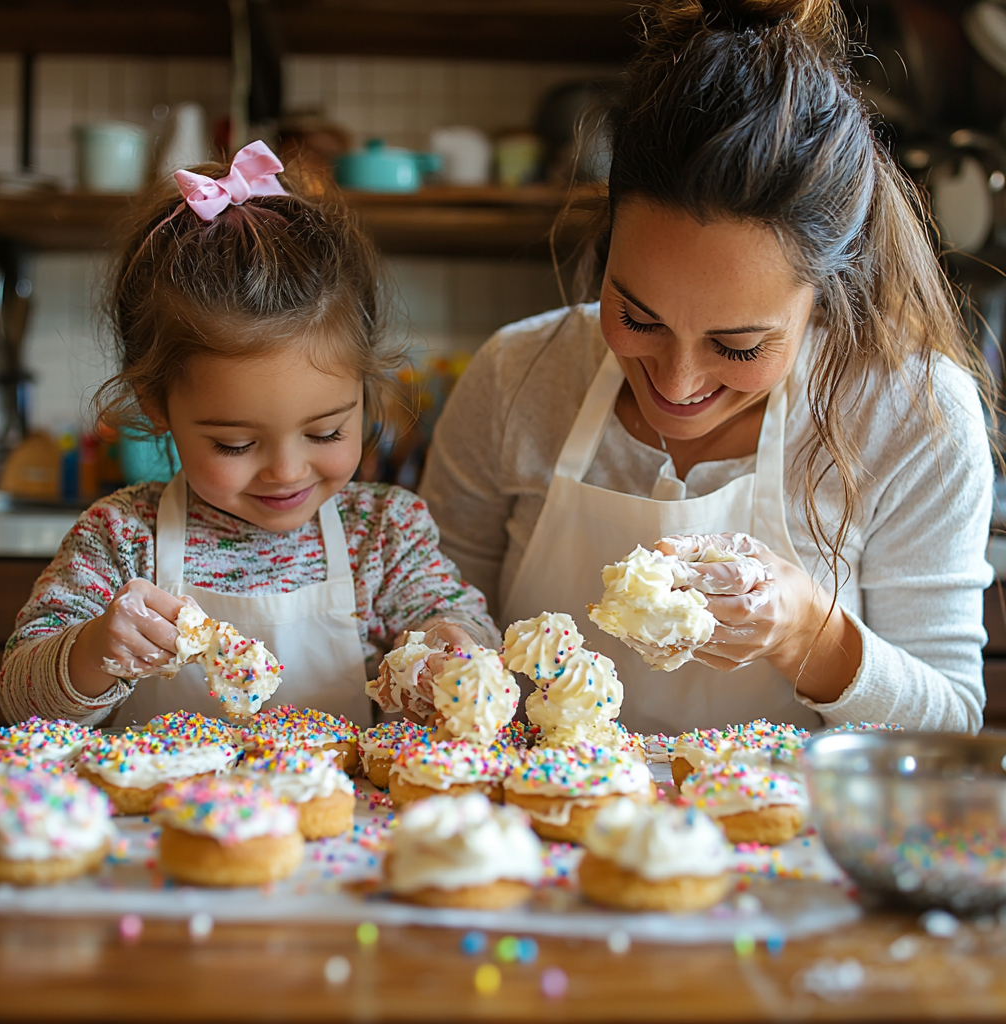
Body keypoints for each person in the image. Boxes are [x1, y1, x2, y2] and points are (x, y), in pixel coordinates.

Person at [420, 0, 995, 734]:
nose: (676, 383)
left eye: (739, 347)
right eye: (637, 317)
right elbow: (428, 604)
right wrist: (440, 652)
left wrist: (804, 633)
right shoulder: (518, 376)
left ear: (825, 293)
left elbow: (948, 725)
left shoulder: (911, 412)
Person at [0, 142, 496, 728]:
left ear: (364, 390)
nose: (287, 471)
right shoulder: (123, 539)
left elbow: (464, 628)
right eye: (235, 444)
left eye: (326, 432)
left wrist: (453, 653)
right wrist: (91, 652)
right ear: (156, 406)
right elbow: (19, 699)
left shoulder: (384, 539)